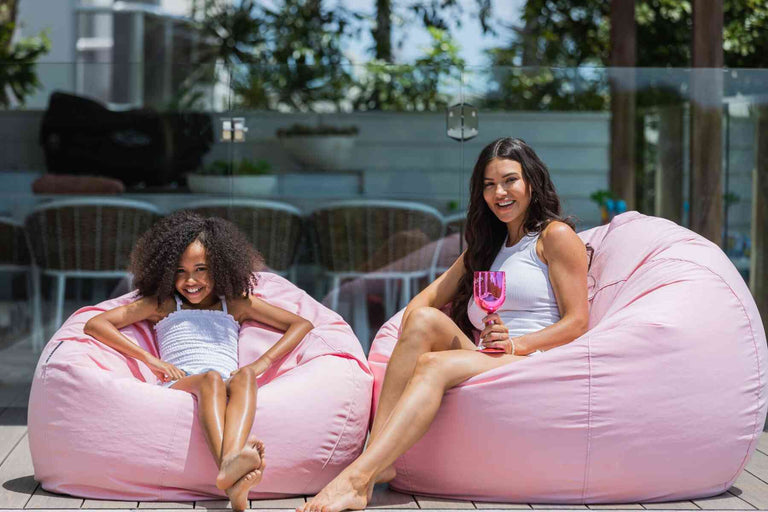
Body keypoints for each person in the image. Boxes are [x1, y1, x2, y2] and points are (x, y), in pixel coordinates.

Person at [298, 137, 590, 512]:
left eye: (509, 180)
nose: (499, 192)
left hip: (533, 359)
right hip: (488, 353)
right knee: (421, 320)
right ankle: (379, 458)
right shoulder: (487, 247)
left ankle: (356, 479)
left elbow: (577, 322)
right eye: (488, 184)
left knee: (433, 364)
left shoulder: (554, 237)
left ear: (532, 183)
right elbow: (424, 303)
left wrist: (517, 344)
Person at [84, 211, 314, 512]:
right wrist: (150, 360)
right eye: (179, 271)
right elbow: (96, 324)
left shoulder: (235, 302)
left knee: (243, 376)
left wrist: (262, 364)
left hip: (225, 380)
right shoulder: (164, 304)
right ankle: (229, 469)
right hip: (182, 382)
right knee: (210, 379)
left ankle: (231, 475)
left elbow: (301, 324)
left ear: (220, 267)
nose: (190, 280)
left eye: (201, 269)